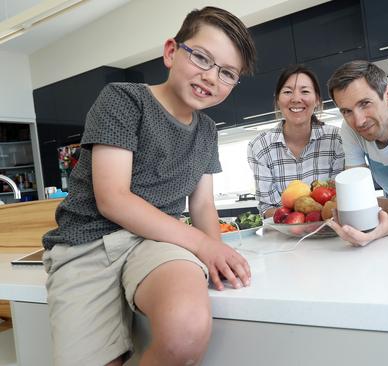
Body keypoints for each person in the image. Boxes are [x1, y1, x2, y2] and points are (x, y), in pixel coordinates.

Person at [41, 7, 256, 365]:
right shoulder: (124, 100)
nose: (211, 77)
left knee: (185, 330)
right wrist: (203, 244)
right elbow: (113, 199)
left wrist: (220, 254)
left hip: (158, 242)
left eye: (227, 73)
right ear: (171, 51)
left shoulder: (207, 132)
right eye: (202, 57)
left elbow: (202, 204)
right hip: (85, 246)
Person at [325, 60, 388, 244]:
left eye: (365, 103)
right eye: (347, 111)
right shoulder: (350, 130)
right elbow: (356, 200)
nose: (358, 121)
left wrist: (370, 214)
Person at [248, 65, 345, 218]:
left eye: (305, 91)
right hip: (285, 237)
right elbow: (267, 208)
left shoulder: (337, 139)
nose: (295, 99)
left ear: (317, 99)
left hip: (331, 232)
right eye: (287, 92)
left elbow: (339, 199)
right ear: (278, 100)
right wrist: (300, 218)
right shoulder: (260, 146)